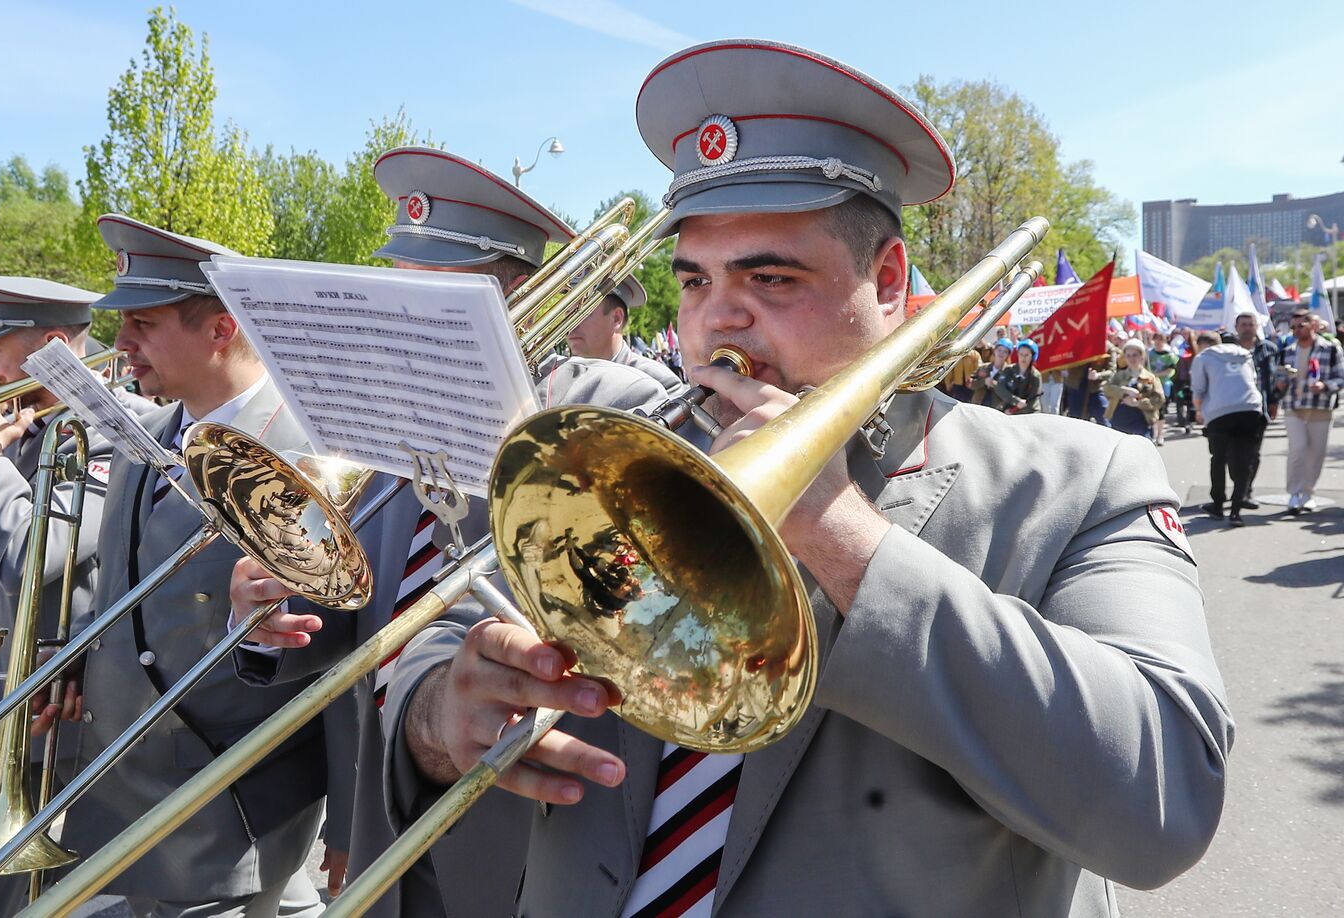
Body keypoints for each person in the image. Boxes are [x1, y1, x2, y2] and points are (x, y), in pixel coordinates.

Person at [380, 39, 1230, 917]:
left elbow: (1166, 801)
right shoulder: (626, 455)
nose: (719, 316)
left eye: (771, 276)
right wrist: (442, 711)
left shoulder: (1077, 480)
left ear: (889, 280)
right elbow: (453, 635)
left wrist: (848, 541)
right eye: (696, 279)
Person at [228, 146, 669, 918]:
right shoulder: (386, 439)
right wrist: (270, 618)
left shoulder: (608, 406)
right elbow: (352, 631)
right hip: (391, 820)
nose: (402, 334)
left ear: (522, 300)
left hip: (534, 838)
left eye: (430, 312)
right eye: (398, 299)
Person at [48, 214, 328, 917]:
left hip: (229, 806)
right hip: (131, 780)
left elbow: (345, 645)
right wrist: (80, 654)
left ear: (220, 330)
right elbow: (129, 586)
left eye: (142, 323)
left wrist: (256, 632)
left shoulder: (309, 445)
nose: (122, 344)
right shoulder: (156, 428)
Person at [0, 270, 125, 914]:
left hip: (68, 729)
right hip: (9, 708)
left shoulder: (110, 431)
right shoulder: (25, 426)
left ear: (53, 348)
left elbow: (32, 557)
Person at [1190, 331, 1264, 526]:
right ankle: (1236, 511)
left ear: (1202, 345)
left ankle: (1217, 504)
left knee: (1219, 458)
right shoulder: (1243, 353)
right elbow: (1253, 380)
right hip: (1250, 408)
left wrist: (1199, 411)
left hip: (1220, 411)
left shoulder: (1203, 357)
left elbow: (1198, 389)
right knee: (1244, 460)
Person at [567, 276, 687, 394]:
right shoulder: (561, 377)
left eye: (582, 314)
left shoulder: (659, 383)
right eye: (568, 315)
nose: (570, 325)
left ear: (616, 318)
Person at [1277, 308, 1344, 513]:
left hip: (1320, 407)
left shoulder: (1331, 348)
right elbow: (1278, 377)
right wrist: (1280, 382)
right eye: (1293, 327)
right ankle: (1294, 493)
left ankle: (1308, 493)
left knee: (1316, 453)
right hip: (1293, 407)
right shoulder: (1287, 351)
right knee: (1297, 449)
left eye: (1301, 325)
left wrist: (1325, 385)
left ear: (1312, 325)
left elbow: (1341, 377)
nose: (1297, 330)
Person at [1232, 311, 1278, 507]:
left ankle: (1245, 492)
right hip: (1231, 409)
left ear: (1257, 326)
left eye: (1250, 324)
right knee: (1232, 454)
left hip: (1259, 410)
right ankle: (1238, 488)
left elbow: (1273, 379)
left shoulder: (1268, 349)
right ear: (1236, 327)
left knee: (1253, 454)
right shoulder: (1228, 349)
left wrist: (1275, 401)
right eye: (1243, 325)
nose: (1247, 328)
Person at [1106, 338, 1165, 439]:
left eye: (1135, 355)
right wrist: (1124, 391)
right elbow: (1107, 389)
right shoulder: (1119, 376)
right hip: (1119, 421)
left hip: (1141, 421)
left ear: (1142, 357)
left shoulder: (1151, 377)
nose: (1131, 358)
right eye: (1128, 355)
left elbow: (1159, 400)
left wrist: (1137, 403)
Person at [993, 338, 1042, 414]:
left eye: (1027, 355)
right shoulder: (1009, 370)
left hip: (1029, 412)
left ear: (1032, 357)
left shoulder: (1035, 376)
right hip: (1008, 409)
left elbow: (1033, 400)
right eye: (1021, 354)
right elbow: (1000, 389)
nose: (1023, 358)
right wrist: (1016, 401)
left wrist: (1015, 411)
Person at [1147, 332, 1178, 445]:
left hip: (1163, 385)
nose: (1158, 342)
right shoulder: (1149, 354)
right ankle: (1153, 434)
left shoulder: (1169, 355)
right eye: (1156, 339)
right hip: (1150, 386)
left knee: (1161, 410)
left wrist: (1157, 374)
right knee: (1151, 409)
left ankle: (1160, 435)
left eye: (1161, 340)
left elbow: (1171, 370)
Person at [970, 336, 1012, 408]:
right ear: (995, 351)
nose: (1001, 353)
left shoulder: (1009, 372)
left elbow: (1009, 395)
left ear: (1008, 355)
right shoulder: (983, 367)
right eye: (999, 350)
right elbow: (971, 384)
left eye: (1005, 351)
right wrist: (983, 382)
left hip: (996, 409)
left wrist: (994, 385)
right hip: (978, 407)